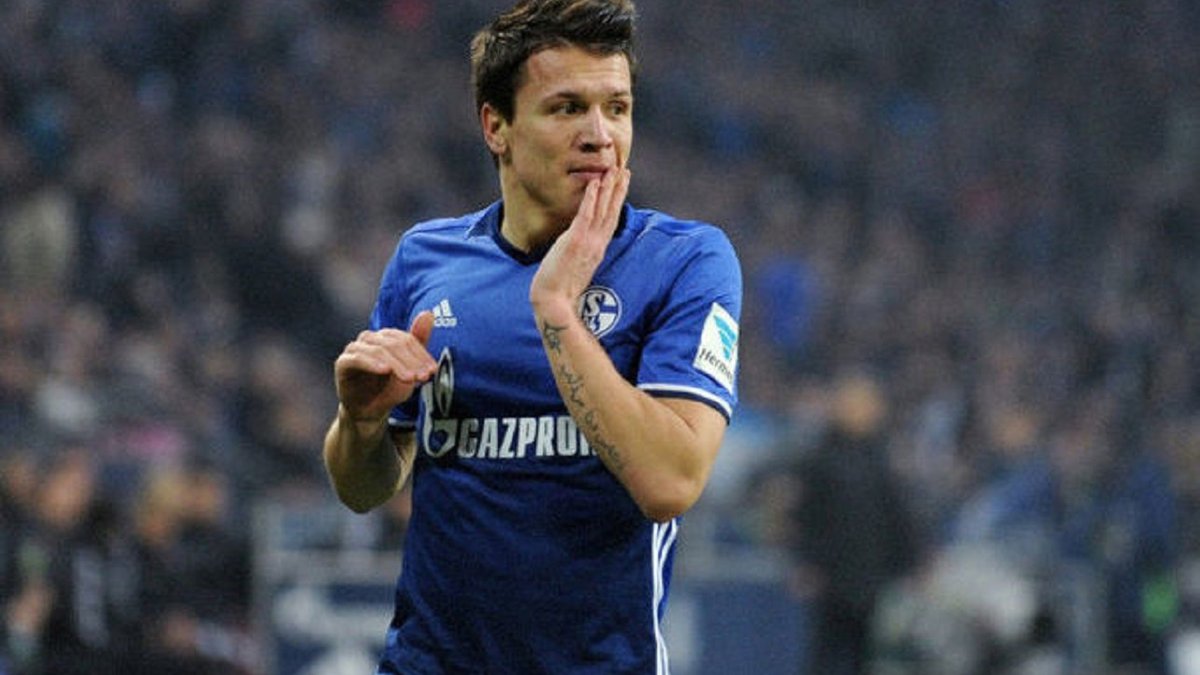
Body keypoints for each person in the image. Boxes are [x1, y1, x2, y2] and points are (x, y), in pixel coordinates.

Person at [321, 1, 743, 672]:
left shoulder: (685, 261)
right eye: (567, 108)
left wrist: (556, 311)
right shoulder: (426, 259)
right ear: (497, 126)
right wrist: (361, 420)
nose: (600, 135)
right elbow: (363, 488)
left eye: (617, 108)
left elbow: (670, 481)